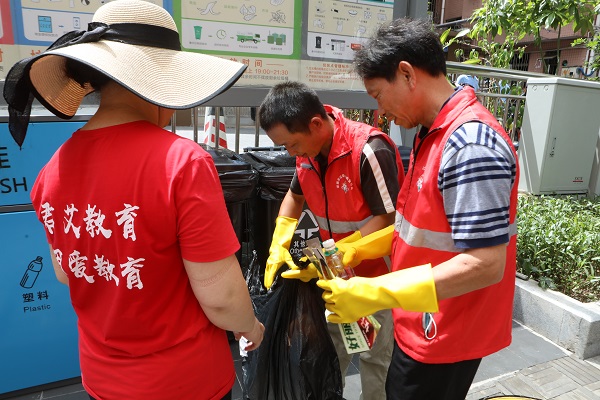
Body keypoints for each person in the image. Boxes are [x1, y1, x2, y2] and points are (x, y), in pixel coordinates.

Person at [3, 1, 264, 399]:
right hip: (184, 382)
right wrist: (251, 328)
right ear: (160, 83)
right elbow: (222, 296)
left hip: (102, 378)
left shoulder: (52, 170)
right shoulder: (183, 161)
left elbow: (63, 271)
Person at [316, 18, 519, 400]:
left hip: (445, 331)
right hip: (421, 319)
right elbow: (414, 227)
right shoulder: (433, 131)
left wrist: (375, 291)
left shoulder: (470, 145)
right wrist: (359, 249)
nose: (381, 112)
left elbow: (485, 263)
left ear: (407, 74)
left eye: (378, 96)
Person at [257, 81, 405, 400]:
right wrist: (279, 242)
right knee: (336, 347)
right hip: (337, 278)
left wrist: (340, 252)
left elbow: (389, 220)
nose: (290, 153)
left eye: (291, 144)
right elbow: (293, 198)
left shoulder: (367, 149)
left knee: (375, 359)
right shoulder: (307, 153)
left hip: (377, 279)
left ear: (315, 124)